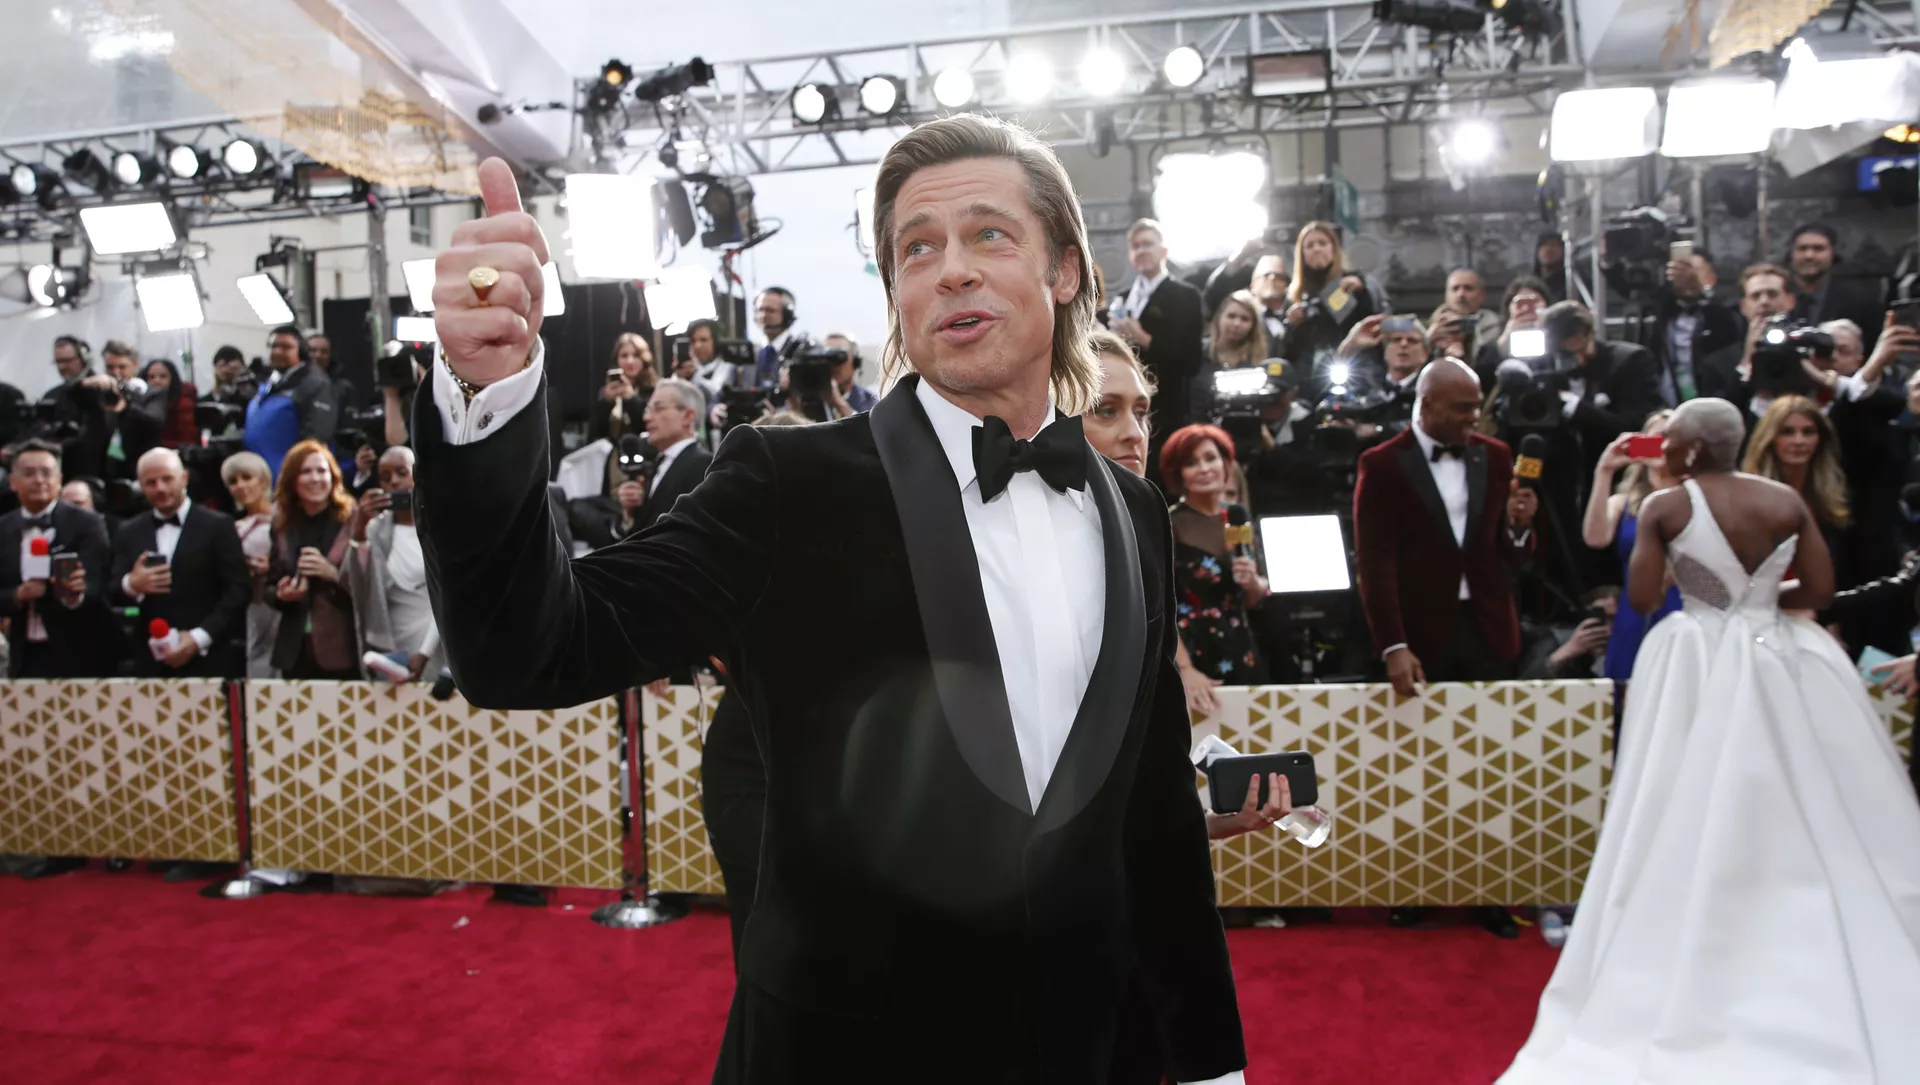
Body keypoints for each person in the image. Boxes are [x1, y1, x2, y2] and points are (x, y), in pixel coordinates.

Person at [416, 117, 1250, 1084]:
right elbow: (529, 648)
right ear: (896, 290)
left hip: (1091, 1049)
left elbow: (1152, 815)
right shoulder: (786, 482)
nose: (952, 269)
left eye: (989, 234)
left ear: (1064, 269)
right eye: (917, 248)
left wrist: (1207, 1062)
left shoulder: (1132, 510)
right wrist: (485, 395)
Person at [1498, 396, 1920, 1085]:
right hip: (1782, 654)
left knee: (1683, 787)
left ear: (1690, 449)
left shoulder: (1668, 506)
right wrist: (1759, 596)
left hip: (1696, 653)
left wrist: (1698, 584)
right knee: (1796, 791)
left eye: (1672, 443)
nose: (1662, 451)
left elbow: (1641, 598)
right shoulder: (1784, 499)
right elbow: (1819, 588)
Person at [109, 448, 251, 678]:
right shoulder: (128, 531)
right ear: (140, 486)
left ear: (184, 478)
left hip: (210, 659)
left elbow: (239, 590)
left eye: (167, 479)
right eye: (151, 482)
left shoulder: (217, 525)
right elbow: (112, 589)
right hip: (150, 664)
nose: (160, 488)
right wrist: (132, 584)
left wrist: (199, 637)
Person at [1159, 424, 1268, 685]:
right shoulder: (1168, 523)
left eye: (1210, 458)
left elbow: (1255, 598)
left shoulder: (1238, 516)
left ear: (1225, 464)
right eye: (1191, 463)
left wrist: (1253, 584)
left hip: (1241, 647)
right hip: (1191, 653)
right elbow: (1157, 605)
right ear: (1179, 474)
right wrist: (1184, 667)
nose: (1204, 468)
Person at [1581, 413, 1682, 688]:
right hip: (1635, 612)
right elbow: (1595, 538)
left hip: (1686, 607)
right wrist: (1604, 470)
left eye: (1670, 438)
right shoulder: (1623, 503)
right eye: (1655, 438)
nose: (1662, 445)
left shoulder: (1697, 496)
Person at [0, 440, 111, 678]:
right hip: (23, 654)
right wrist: (18, 595)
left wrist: (73, 591)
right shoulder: (3, 529)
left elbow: (98, 582)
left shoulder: (86, 523)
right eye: (29, 473)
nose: (39, 480)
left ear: (59, 479)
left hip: (81, 651)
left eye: (46, 473)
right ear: (12, 482)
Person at [343, 447, 444, 681]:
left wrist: (424, 652)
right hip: (391, 640)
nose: (395, 482)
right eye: (386, 477)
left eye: (402, 473)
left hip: (437, 638)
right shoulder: (375, 530)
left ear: (418, 475)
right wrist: (359, 530)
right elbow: (357, 584)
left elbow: (449, 596)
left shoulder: (442, 528)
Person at [265, 440, 357, 680]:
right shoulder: (282, 524)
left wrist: (333, 574)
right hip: (294, 651)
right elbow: (269, 586)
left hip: (341, 647)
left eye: (321, 471)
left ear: (333, 478)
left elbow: (370, 589)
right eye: (305, 471)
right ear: (292, 479)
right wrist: (282, 594)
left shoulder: (354, 521)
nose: (315, 478)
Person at [1740, 396, 1852, 589]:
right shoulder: (1746, 498)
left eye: (1808, 432)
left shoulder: (1832, 497)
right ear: (1770, 439)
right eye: (1787, 432)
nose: (1799, 441)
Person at [1112, 217, 1206, 437]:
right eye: (1135, 246)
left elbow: (1191, 362)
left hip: (1167, 406)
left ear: (1164, 251)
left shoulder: (1186, 295)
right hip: (1126, 402)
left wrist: (1143, 338)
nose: (1141, 250)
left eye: (1147, 244)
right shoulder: (1122, 298)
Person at [1695, 263, 1798, 418]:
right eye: (1756, 296)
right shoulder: (1717, 364)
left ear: (1791, 301)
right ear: (1743, 306)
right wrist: (1746, 362)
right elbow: (1718, 418)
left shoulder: (1807, 350)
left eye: (1772, 294)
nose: (1764, 302)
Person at [613, 379, 711, 538]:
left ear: (688, 416)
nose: (646, 417)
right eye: (648, 409)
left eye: (658, 409)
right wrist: (629, 514)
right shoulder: (657, 464)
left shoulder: (704, 466)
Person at [1281, 220, 1387, 367]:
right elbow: (1289, 350)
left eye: (1322, 243)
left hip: (1353, 366)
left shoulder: (1353, 282)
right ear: (1302, 254)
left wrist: (1361, 292)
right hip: (1311, 370)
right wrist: (1292, 326)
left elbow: (1374, 319)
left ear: (1334, 248)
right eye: (1310, 245)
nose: (1317, 249)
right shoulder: (1295, 295)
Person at [1648, 250, 1744, 404]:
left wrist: (1700, 291)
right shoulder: (1665, 315)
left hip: (1713, 399)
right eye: (1680, 271)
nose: (1686, 277)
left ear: (1711, 277)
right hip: (1671, 399)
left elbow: (1729, 329)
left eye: (1693, 270)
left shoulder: (1725, 310)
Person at [245, 326, 339, 479]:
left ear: (301, 351)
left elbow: (316, 439)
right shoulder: (267, 383)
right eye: (273, 346)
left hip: (289, 476)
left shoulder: (314, 384)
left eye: (285, 347)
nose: (277, 351)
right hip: (258, 474)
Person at [219, 451, 279, 678]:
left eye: (247, 477)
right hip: (251, 607)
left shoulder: (286, 518)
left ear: (263, 479)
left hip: (284, 604)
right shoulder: (233, 528)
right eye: (233, 481)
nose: (240, 486)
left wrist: (274, 567)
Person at [1788, 222, 1884, 353]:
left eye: (1818, 249)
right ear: (1791, 253)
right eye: (1802, 249)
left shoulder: (1860, 304)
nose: (1809, 255)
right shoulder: (1775, 296)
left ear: (1833, 253)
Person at [1189, 289, 1270, 414]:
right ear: (1219, 318)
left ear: (1253, 326)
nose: (1237, 324)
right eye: (1231, 316)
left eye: (1245, 319)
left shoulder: (1258, 362)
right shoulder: (1197, 352)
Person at [1428, 268, 1502, 355]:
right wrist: (1428, 341)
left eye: (1468, 288)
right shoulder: (1434, 324)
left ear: (1482, 295)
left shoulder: (1491, 324)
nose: (1461, 294)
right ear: (1446, 295)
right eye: (1455, 288)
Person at [139, 358, 200, 448]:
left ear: (172, 378)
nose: (157, 381)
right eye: (151, 377)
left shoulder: (183, 404)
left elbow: (187, 440)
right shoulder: (141, 403)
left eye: (163, 376)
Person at [749, 287, 801, 388]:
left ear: (787, 315)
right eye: (760, 310)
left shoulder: (800, 351)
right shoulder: (748, 355)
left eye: (770, 311)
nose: (763, 316)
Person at [1249, 253, 1291, 344]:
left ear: (1286, 285)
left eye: (1279, 276)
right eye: (1266, 275)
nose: (1272, 278)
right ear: (1253, 286)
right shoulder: (1241, 317)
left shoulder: (1295, 316)